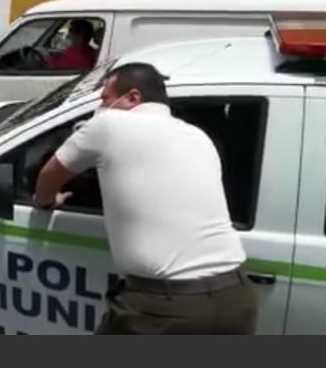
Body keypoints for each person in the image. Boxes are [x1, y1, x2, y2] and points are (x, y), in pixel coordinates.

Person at [33, 62, 257, 335]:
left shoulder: (108, 124)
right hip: (237, 300)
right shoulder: (199, 136)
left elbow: (49, 174)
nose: (101, 106)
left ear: (133, 97)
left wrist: (46, 201)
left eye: (105, 98)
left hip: (163, 307)